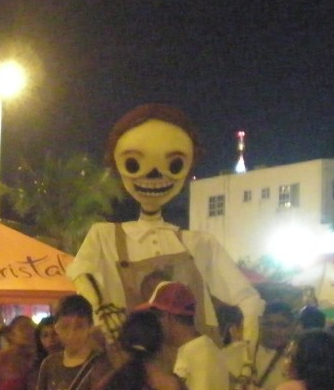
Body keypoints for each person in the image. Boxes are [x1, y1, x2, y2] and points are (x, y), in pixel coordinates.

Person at [67, 103, 264, 343]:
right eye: (133, 164)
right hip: (131, 358)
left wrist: (247, 360)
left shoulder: (200, 243)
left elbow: (249, 299)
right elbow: (81, 272)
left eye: (174, 165)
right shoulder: (104, 236)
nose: (154, 174)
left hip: (192, 364)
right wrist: (101, 308)